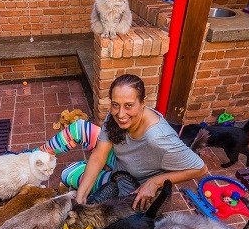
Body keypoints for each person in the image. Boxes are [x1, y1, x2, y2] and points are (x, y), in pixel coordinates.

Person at [39, 74, 208, 209]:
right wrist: (81, 195)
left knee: (67, 173)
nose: (120, 114)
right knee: (78, 128)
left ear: (143, 103)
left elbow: (200, 168)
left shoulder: (158, 138)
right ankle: (35, 156)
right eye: (115, 105)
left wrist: (155, 182)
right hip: (119, 159)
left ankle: (98, 173)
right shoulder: (115, 117)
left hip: (129, 180)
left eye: (128, 105)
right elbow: (99, 156)